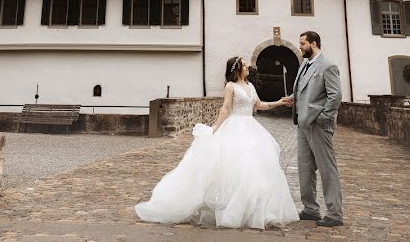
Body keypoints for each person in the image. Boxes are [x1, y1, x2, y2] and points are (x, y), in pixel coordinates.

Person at [134, 56, 299, 229]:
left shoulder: (250, 86)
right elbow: (226, 108)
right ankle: (229, 208)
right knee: (232, 168)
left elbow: (258, 105)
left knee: (252, 168)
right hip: (234, 126)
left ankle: (251, 210)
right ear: (237, 69)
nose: (247, 67)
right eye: (244, 65)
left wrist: (278, 103)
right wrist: (215, 127)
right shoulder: (230, 86)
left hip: (251, 128)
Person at [288, 30, 343, 227]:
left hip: (318, 126)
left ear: (313, 43)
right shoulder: (304, 65)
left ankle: (335, 214)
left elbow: (335, 96)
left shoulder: (328, 66)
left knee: (327, 169)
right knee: (305, 168)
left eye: (302, 43)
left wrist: (322, 118)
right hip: (302, 125)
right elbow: (303, 90)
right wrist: (293, 100)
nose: (300, 47)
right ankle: (310, 209)